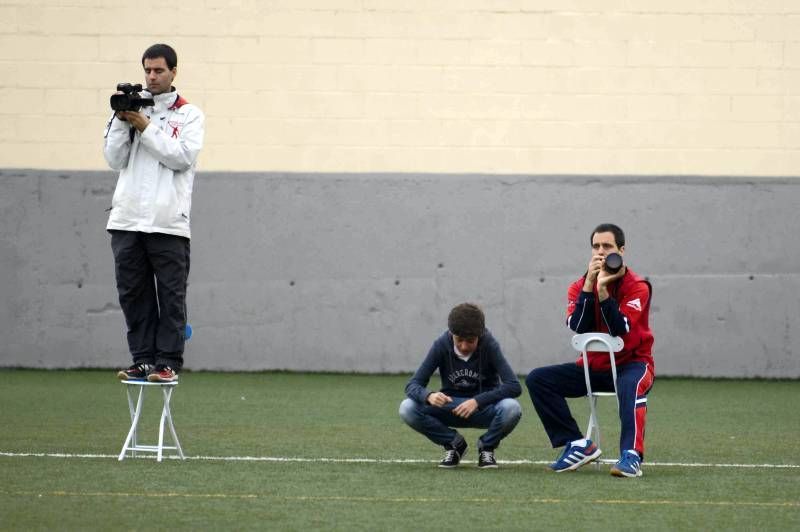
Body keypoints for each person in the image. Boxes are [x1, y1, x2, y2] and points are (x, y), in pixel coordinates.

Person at [103, 43, 205, 383]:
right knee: (133, 294)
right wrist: (123, 122)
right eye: (147, 70)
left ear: (174, 72)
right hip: (127, 219)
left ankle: (168, 362)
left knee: (171, 296)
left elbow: (180, 157)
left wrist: (146, 126)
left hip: (168, 223)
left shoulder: (189, 114)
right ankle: (142, 360)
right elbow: (114, 160)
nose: (151, 76)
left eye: (159, 70)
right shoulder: (130, 110)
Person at [526, 223, 654, 478]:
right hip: (592, 366)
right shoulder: (578, 286)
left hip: (634, 364)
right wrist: (590, 287)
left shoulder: (638, 286)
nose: (601, 252)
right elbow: (577, 326)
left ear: (622, 250)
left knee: (630, 386)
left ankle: (630, 456)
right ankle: (577, 444)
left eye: (607, 246)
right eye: (596, 246)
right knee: (538, 379)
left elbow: (620, 328)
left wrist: (604, 291)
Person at [399, 303, 522, 468]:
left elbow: (513, 386)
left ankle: (486, 447)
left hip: (483, 408)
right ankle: (454, 444)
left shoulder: (489, 345)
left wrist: (477, 401)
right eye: (459, 341)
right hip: (451, 407)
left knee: (512, 408)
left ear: (480, 334)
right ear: (451, 334)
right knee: (407, 408)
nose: (464, 346)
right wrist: (429, 396)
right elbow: (413, 385)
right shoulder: (441, 345)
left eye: (470, 341)